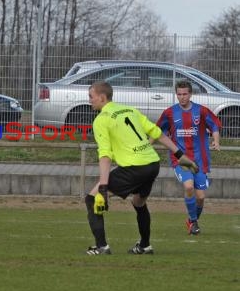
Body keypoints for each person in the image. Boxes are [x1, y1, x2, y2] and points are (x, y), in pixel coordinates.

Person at [84, 81, 199, 255]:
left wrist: (103, 188)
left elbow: (105, 156)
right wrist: (179, 155)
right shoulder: (130, 110)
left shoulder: (102, 120)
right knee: (138, 202)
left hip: (135, 167)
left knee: (92, 199)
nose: (89, 100)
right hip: (152, 164)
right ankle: (145, 245)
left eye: (91, 97)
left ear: (101, 97)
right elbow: (157, 132)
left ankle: (101, 247)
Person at [156, 80, 221, 235]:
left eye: (185, 94)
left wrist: (216, 140)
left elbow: (214, 126)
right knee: (189, 187)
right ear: (176, 95)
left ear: (190, 94)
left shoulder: (202, 111)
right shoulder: (170, 113)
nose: (182, 97)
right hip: (180, 159)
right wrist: (147, 144)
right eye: (179, 94)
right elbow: (158, 130)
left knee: (200, 197)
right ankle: (193, 223)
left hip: (200, 159)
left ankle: (192, 221)